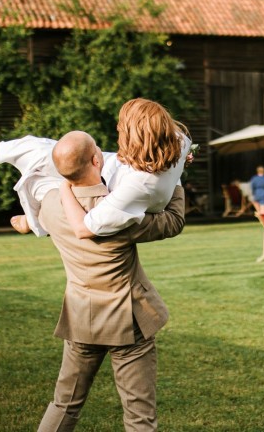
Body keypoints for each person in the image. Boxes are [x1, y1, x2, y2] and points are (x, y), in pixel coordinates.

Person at [36, 130, 185, 432]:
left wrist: (27, 221)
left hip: (80, 318)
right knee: (138, 414)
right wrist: (174, 172)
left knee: (64, 403)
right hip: (128, 322)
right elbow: (173, 221)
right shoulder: (118, 212)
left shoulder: (51, 202)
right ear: (96, 159)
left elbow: (39, 219)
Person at [0, 98, 192, 238]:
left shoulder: (138, 187)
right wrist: (179, 160)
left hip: (109, 183)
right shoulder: (179, 140)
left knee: (47, 173)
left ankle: (32, 220)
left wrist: (65, 188)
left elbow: (84, 228)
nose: (118, 129)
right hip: (122, 165)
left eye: (122, 128)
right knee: (52, 149)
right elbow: (178, 154)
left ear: (138, 138)